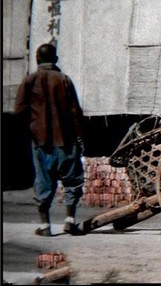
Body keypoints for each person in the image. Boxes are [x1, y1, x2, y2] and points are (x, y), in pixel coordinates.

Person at [14, 43, 86, 237]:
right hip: (66, 140)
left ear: (37, 60)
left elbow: (19, 112)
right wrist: (80, 137)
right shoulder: (64, 80)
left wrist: (30, 131)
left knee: (43, 182)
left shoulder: (29, 81)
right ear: (55, 59)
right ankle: (70, 220)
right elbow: (75, 112)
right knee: (72, 181)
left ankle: (45, 226)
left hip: (40, 141)